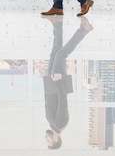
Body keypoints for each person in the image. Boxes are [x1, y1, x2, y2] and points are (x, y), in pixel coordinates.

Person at [42, 15, 93, 149]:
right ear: (56, 139)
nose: (46, 138)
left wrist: (45, 79)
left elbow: (48, 99)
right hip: (57, 81)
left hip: (51, 81)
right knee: (61, 55)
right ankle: (84, 30)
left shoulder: (52, 123)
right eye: (49, 141)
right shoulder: (61, 124)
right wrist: (58, 81)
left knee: (55, 52)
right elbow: (62, 100)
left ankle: (57, 24)